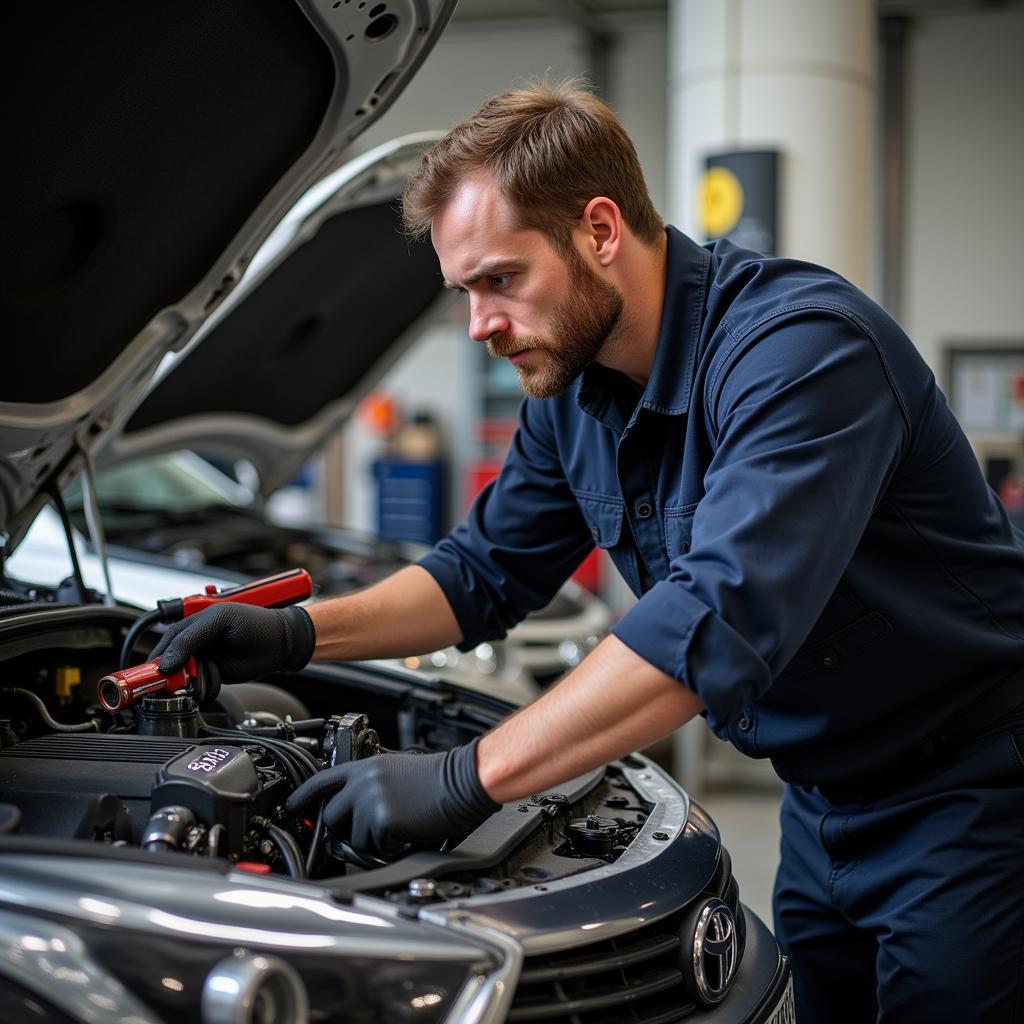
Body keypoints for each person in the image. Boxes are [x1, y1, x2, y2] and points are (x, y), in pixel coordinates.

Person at [151, 81, 1024, 1022]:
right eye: (464, 292)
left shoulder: (803, 353)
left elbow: (715, 627)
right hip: (820, 806)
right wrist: (289, 637)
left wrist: (463, 778)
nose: (480, 324)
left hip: (972, 793)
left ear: (600, 230)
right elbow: (479, 573)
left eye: (500, 279)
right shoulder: (572, 391)